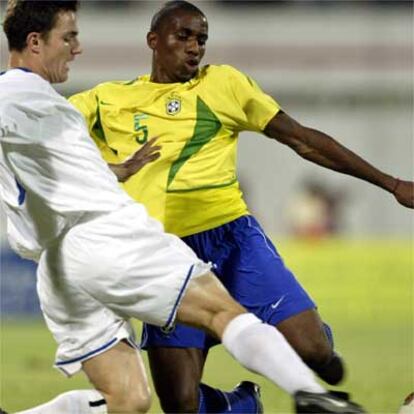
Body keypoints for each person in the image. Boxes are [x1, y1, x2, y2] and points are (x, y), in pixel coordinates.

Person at [0, 1, 367, 413]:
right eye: (69, 37)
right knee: (200, 359)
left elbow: (51, 158)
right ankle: (288, 397)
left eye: (202, 39)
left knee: (131, 399)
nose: (195, 47)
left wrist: (113, 171)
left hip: (187, 243)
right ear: (153, 42)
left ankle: (305, 375)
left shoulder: (223, 83)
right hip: (129, 242)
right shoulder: (82, 100)